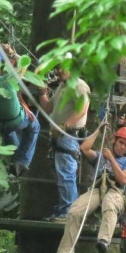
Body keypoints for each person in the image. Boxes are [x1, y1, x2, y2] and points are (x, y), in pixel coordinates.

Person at [53, 126, 126, 253]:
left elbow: (123, 180)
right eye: (121, 142)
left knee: (110, 204)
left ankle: (104, 240)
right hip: (97, 190)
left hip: (116, 192)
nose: (123, 147)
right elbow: (84, 149)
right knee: (75, 211)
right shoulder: (100, 156)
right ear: (115, 141)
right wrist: (98, 130)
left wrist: (111, 159)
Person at [38, 56, 90, 220]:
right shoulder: (62, 87)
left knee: (66, 173)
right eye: (57, 68)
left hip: (69, 135)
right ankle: (63, 210)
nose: (58, 71)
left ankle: (68, 212)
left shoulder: (79, 85)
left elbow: (82, 108)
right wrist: (42, 92)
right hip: (59, 136)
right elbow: (49, 108)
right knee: (62, 174)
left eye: (62, 67)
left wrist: (64, 126)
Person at [0, 47, 40, 177]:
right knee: (34, 126)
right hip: (15, 121)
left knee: (9, 131)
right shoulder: (7, 80)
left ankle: (15, 161)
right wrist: (13, 54)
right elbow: (25, 62)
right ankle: (21, 162)